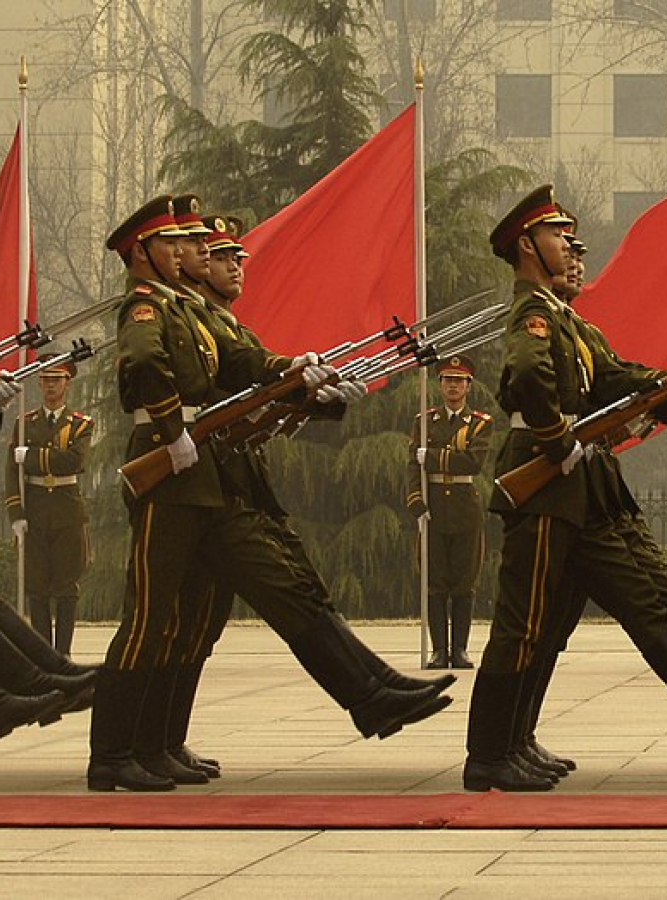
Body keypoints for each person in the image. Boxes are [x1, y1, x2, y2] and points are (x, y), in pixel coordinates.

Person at [87, 196, 452, 793]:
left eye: (188, 242)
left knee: (230, 604)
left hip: (204, 480)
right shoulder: (146, 309)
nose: (186, 251)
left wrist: (294, 368)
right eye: (173, 243)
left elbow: (241, 361)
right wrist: (174, 431)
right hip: (171, 473)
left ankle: (160, 744)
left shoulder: (187, 312)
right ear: (141, 252)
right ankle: (112, 755)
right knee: (151, 618)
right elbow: (145, 367)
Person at [463, 185, 667, 793]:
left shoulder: (572, 325)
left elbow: (619, 379)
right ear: (525, 246)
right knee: (524, 622)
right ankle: (490, 753)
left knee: (621, 600)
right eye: (560, 239)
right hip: (547, 483)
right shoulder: (532, 315)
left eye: (573, 241)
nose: (573, 251)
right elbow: (526, 376)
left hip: (582, 486)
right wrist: (555, 437)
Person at [4, 354, 92, 657]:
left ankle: (63, 653)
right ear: (39, 383)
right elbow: (11, 472)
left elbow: (73, 461)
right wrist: (16, 512)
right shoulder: (25, 423)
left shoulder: (80, 424)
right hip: (36, 509)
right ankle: (43, 654)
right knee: (37, 587)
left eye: (56, 379)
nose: (50, 386)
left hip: (67, 510)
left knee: (67, 587)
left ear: (67, 382)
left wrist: (30, 457)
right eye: (45, 380)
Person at [407, 356, 492, 670]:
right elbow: (411, 464)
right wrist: (416, 500)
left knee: (463, 582)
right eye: (447, 379)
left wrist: (431, 456)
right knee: (435, 582)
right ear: (439, 384)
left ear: (469, 386)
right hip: (433, 509)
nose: (453, 385)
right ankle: (438, 651)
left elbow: (472, 462)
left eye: (459, 380)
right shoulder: (425, 421)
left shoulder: (481, 423)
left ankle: (460, 650)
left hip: (464, 508)